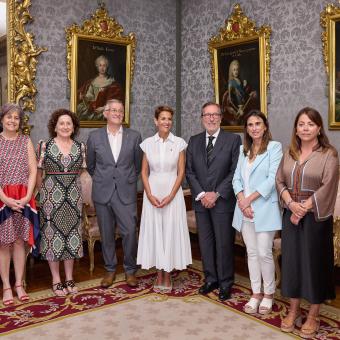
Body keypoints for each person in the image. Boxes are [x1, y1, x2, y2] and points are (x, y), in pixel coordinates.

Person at [276, 107, 339, 338]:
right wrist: (290, 204)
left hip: (315, 219)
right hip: (291, 216)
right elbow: (279, 180)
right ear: (296, 128)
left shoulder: (329, 154)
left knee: (314, 265)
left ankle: (313, 313)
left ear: (319, 128)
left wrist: (304, 207)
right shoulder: (289, 152)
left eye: (310, 124)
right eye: (301, 124)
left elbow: (329, 185)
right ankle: (293, 310)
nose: (305, 128)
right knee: (292, 263)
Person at [186, 101, 241, 301]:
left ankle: (226, 282)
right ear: (201, 119)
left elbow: (235, 171)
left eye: (215, 114)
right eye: (207, 115)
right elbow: (189, 171)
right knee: (206, 242)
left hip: (223, 202)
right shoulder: (193, 141)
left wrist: (216, 194)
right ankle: (211, 279)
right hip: (201, 202)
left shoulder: (233, 140)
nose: (211, 118)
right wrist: (202, 194)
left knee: (224, 243)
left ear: (220, 117)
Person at [87, 99, 142, 288]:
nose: (118, 113)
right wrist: (105, 179)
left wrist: (125, 180)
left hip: (125, 192)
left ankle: (130, 270)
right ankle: (110, 270)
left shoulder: (134, 136)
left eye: (121, 110)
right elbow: (91, 165)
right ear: (106, 113)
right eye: (114, 110)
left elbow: (137, 165)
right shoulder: (94, 137)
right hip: (103, 192)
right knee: (107, 234)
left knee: (129, 233)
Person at [232, 110, 282, 314]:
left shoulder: (274, 147)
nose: (254, 128)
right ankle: (255, 293)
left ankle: (269, 294)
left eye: (258, 124)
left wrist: (249, 200)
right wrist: (242, 200)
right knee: (251, 253)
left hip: (264, 210)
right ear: (246, 128)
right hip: (244, 210)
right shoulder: (245, 150)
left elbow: (272, 180)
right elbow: (236, 178)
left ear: (265, 126)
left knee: (264, 253)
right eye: (250, 124)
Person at [137, 106, 192, 292]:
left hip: (172, 194)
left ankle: (167, 273)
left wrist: (171, 195)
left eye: (169, 118)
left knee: (169, 232)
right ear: (155, 121)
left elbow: (181, 172)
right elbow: (144, 172)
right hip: (152, 193)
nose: (166, 122)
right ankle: (158, 271)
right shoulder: (147, 144)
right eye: (162, 118)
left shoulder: (179, 143)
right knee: (155, 232)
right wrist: (150, 194)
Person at [36, 109, 86, 296]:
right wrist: (45, 194)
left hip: (73, 197)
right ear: (55, 126)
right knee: (53, 237)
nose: (65, 126)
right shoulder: (44, 146)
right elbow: (39, 174)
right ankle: (56, 279)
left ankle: (70, 278)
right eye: (61, 123)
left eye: (69, 123)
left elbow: (80, 171)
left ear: (73, 127)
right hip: (51, 197)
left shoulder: (81, 147)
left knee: (72, 236)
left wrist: (69, 184)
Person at [0, 103, 38, 305]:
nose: (12, 120)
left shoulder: (26, 141)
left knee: (19, 242)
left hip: (23, 197)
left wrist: (27, 196)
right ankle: (6, 286)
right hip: (2, 197)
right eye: (9, 116)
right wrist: (5, 199)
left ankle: (19, 284)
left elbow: (33, 171)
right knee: (4, 243)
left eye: (16, 117)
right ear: (2, 119)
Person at [77, 55, 124, 121]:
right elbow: (90, 96)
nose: (102, 68)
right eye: (100, 65)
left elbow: (116, 102)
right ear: (97, 67)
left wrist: (103, 108)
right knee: (79, 109)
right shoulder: (93, 81)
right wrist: (84, 97)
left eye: (104, 65)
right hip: (94, 106)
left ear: (107, 67)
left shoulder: (112, 83)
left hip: (105, 108)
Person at [221, 59, 257, 126]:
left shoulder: (239, 80)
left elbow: (242, 94)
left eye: (237, 69)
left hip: (244, 106)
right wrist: (238, 110)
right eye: (234, 70)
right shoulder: (231, 83)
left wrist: (246, 89)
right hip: (238, 109)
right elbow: (230, 100)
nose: (236, 72)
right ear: (231, 71)